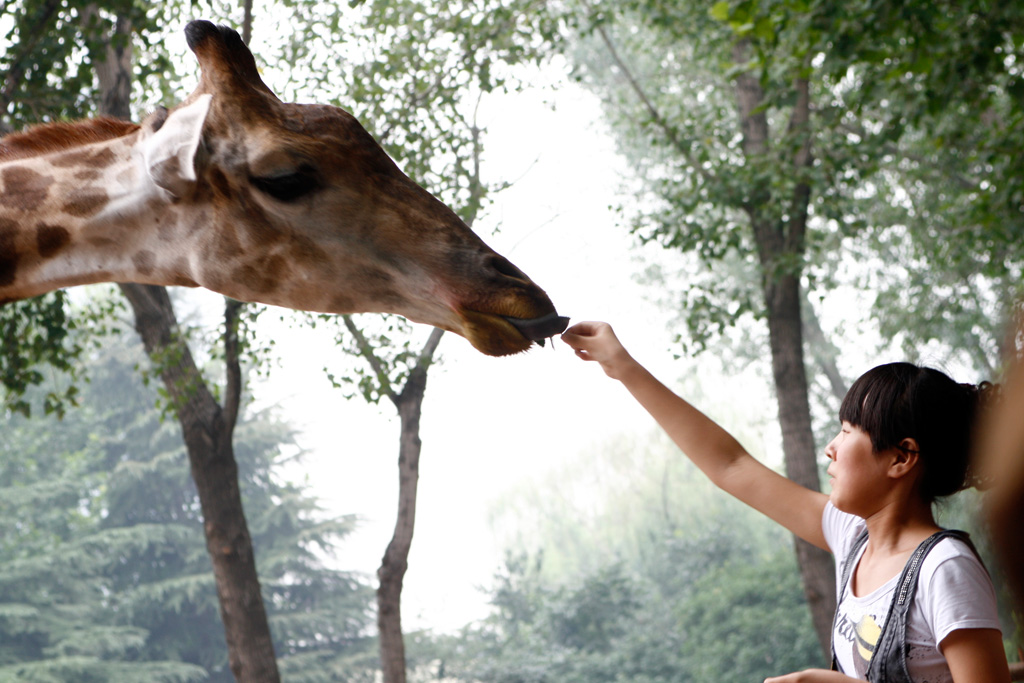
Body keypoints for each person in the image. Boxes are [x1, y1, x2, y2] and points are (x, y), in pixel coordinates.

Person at [561, 321, 1010, 683]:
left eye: (848, 431)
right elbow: (731, 465)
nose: (830, 448)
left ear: (901, 457)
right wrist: (623, 367)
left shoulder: (944, 569)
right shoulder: (853, 536)